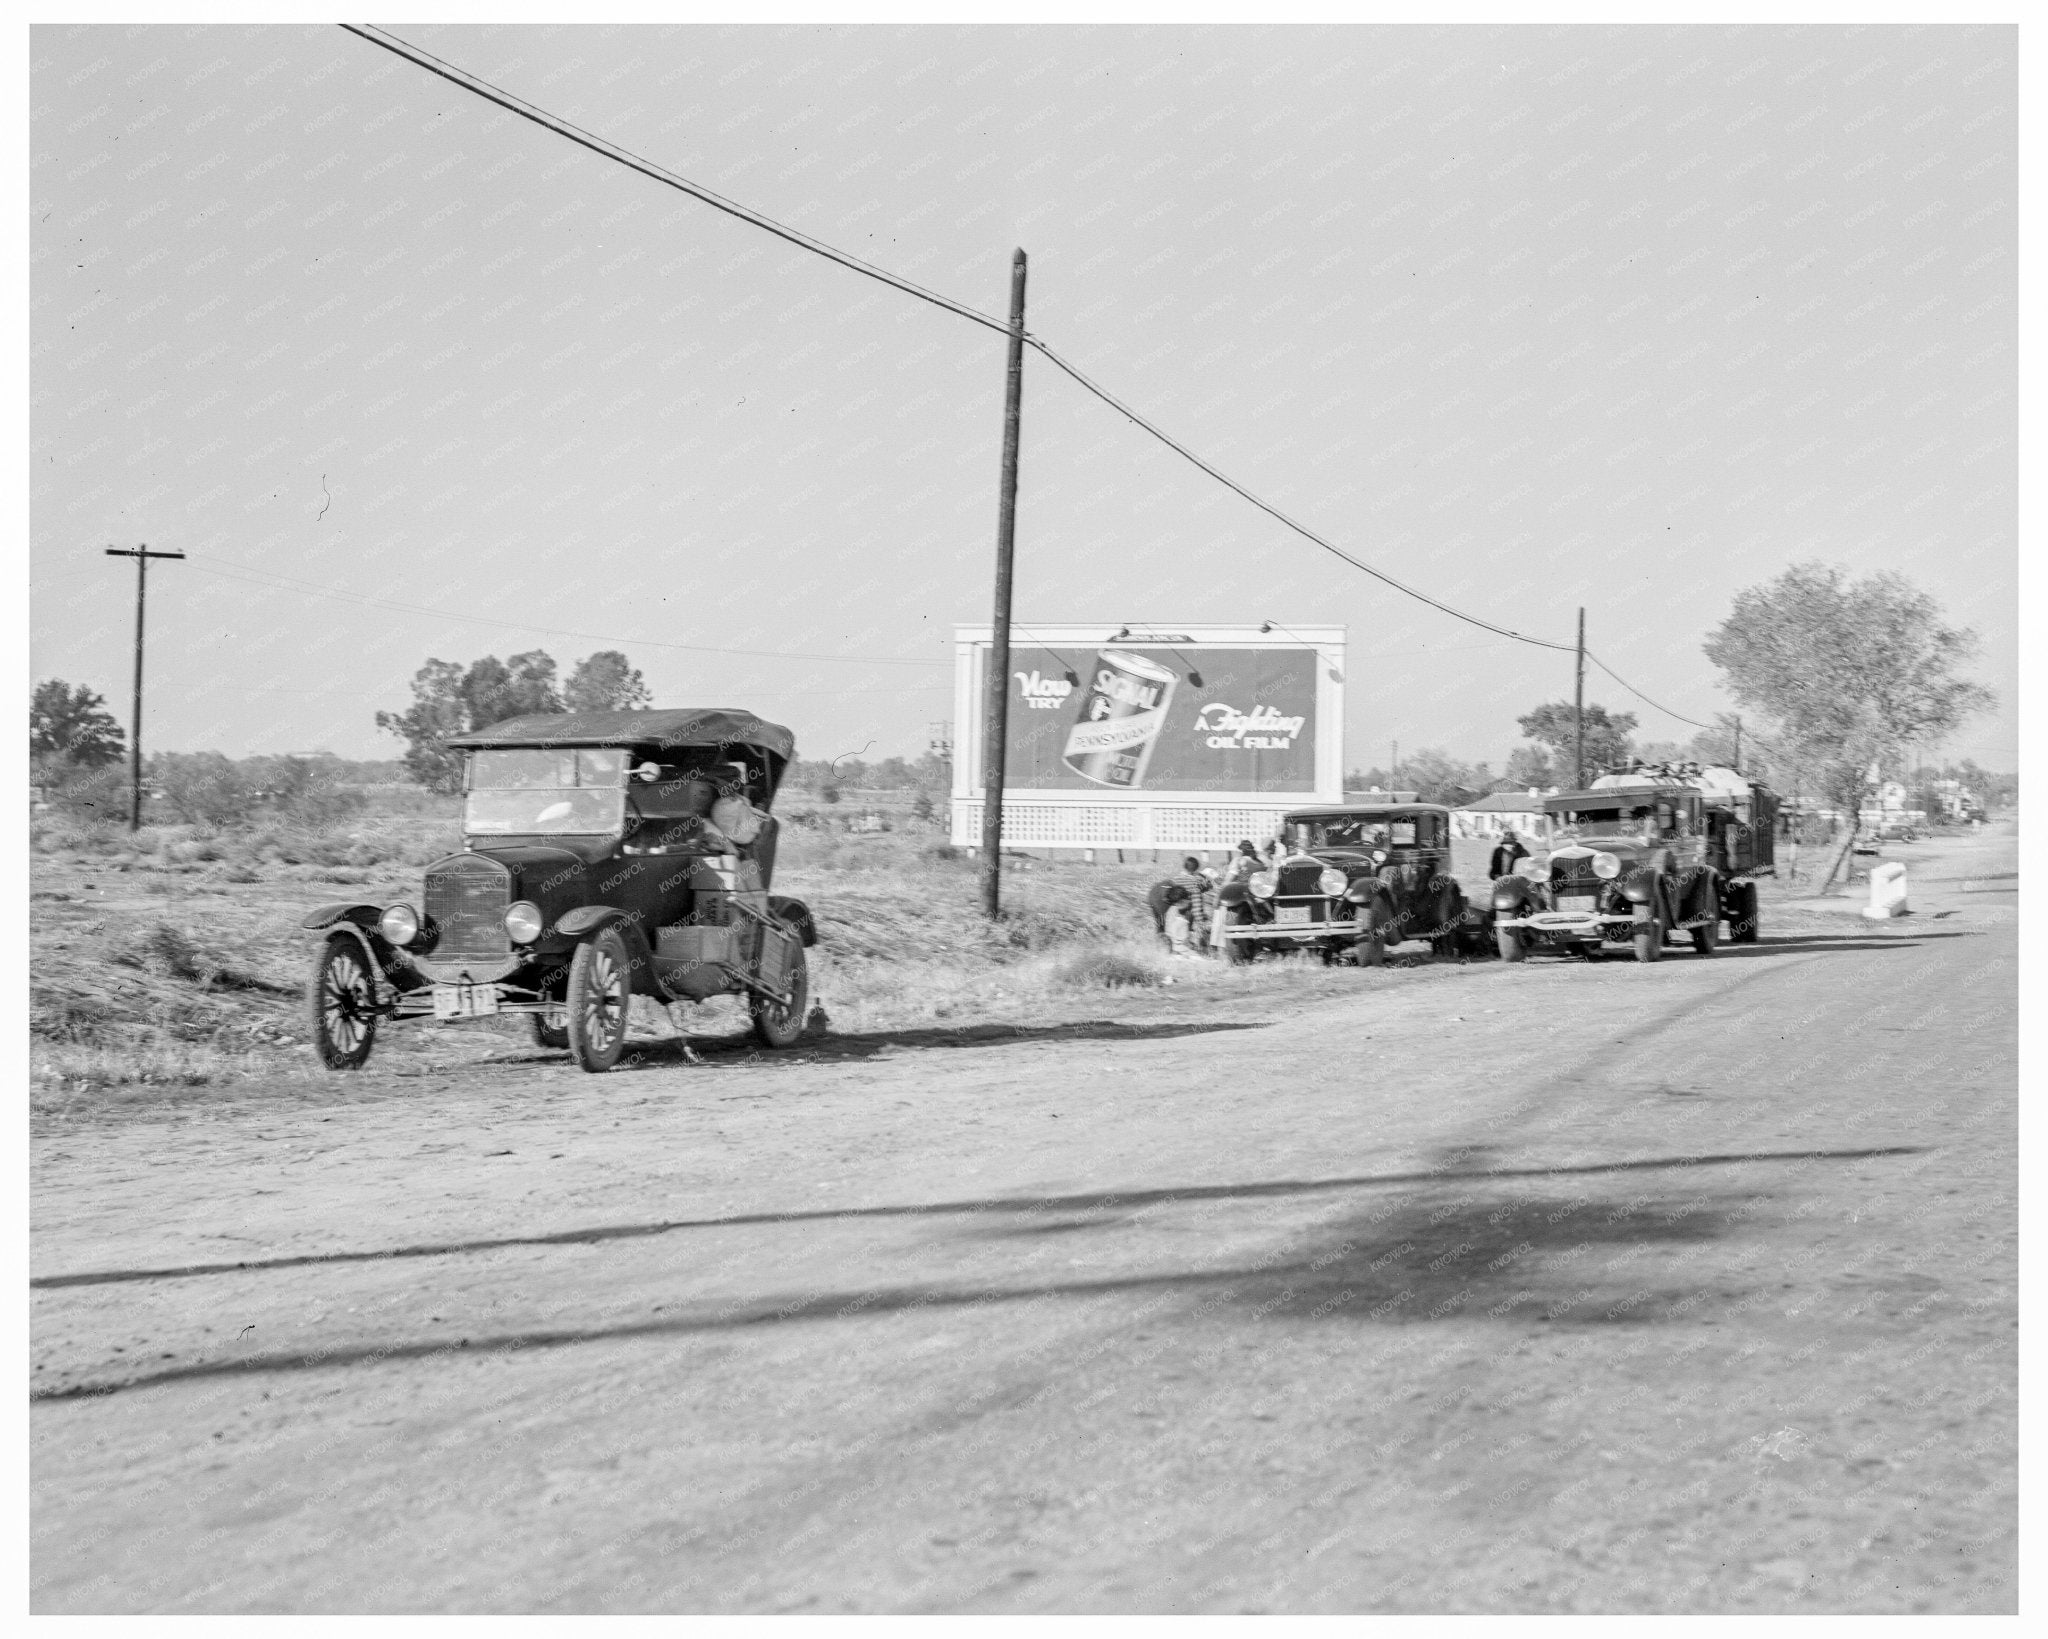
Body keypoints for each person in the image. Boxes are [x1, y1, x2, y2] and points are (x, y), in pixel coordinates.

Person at [1148, 855, 1214, 959]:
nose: (1209, 889)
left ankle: (1160, 952)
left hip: (1154, 894)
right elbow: (1197, 911)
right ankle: (1178, 953)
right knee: (1180, 927)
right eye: (1209, 885)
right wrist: (1205, 925)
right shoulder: (1196, 884)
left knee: (1161, 927)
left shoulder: (1178, 878)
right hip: (1168, 902)